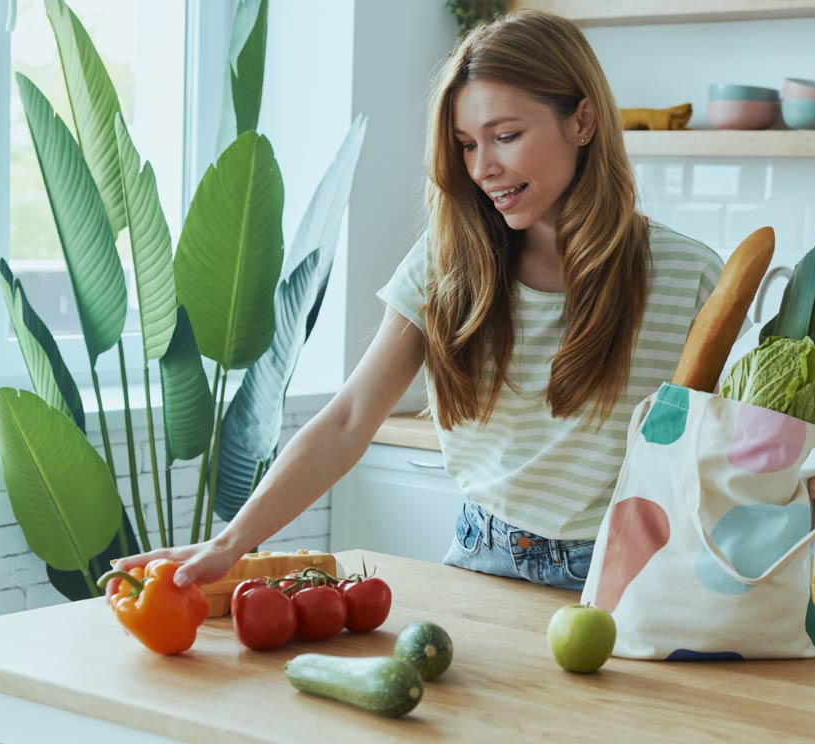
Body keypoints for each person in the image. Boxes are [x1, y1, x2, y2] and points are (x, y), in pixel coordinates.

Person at [114, 9, 727, 591]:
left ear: (583, 123)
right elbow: (352, 415)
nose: (482, 167)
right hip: (482, 562)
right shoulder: (447, 265)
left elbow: (707, 463)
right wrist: (231, 543)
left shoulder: (691, 276)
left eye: (506, 136)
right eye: (465, 144)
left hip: (629, 577)